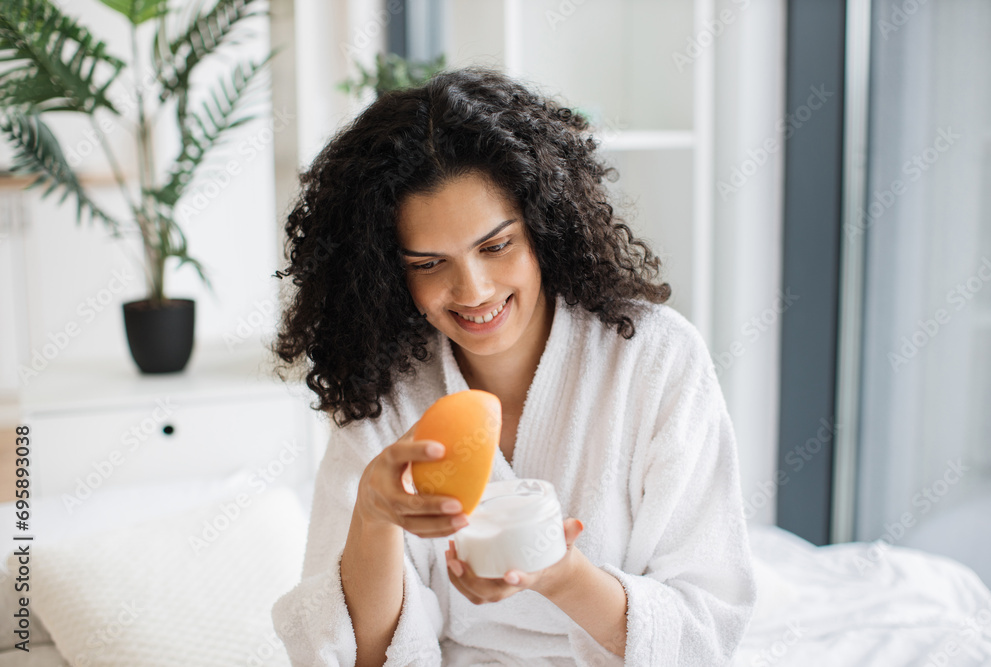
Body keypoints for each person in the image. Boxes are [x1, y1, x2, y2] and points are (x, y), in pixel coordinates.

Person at [269, 65, 757, 666]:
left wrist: (557, 574)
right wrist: (374, 514)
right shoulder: (385, 389)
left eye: (496, 246)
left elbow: (703, 633)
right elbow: (356, 658)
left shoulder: (654, 359)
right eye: (428, 264)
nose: (471, 290)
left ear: (544, 227)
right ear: (386, 273)